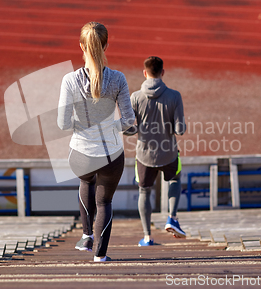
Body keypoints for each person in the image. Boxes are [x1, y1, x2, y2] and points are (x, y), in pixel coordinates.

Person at [57, 22, 135, 262]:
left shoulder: (69, 80)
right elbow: (129, 122)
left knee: (85, 181)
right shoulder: (118, 79)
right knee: (104, 202)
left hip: (80, 154)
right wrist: (111, 126)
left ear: (81, 46)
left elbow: (62, 123)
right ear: (106, 45)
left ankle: (87, 235)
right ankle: (100, 256)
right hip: (110, 155)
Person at [124, 56, 186, 246]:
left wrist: (138, 129)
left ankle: (147, 237)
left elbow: (128, 127)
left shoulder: (135, 97)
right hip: (168, 153)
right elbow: (180, 130)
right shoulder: (174, 96)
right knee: (175, 179)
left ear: (145, 73)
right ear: (162, 72)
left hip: (144, 156)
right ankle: (172, 218)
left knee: (144, 191)